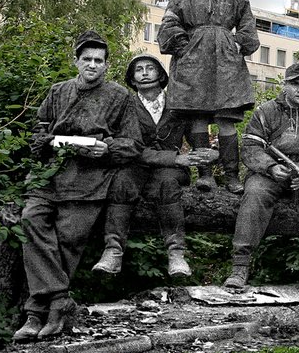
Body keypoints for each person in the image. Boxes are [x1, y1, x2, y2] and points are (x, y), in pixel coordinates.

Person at [12, 31, 142, 342]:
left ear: (106, 65)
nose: (93, 65)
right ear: (77, 62)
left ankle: (36, 313)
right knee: (30, 220)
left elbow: (133, 144)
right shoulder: (57, 92)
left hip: (90, 180)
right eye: (87, 59)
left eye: (99, 60)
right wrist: (47, 142)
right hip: (50, 177)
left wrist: (107, 149)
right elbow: (37, 132)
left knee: (69, 237)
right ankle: (58, 301)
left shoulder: (119, 97)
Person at [92, 55, 217, 277]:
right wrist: (174, 158)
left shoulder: (177, 104)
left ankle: (176, 254)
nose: (145, 73)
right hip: (135, 164)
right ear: (132, 78)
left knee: (167, 184)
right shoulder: (125, 104)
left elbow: (197, 138)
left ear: (161, 74)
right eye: (138, 70)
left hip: (170, 170)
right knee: (121, 183)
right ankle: (112, 251)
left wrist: (204, 167)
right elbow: (128, 146)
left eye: (151, 68)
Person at [223, 62, 299, 300]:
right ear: (285, 85)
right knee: (254, 193)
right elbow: (251, 147)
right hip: (269, 173)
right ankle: (240, 267)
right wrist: (271, 167)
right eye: (295, 84)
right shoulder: (266, 111)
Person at [157, 0, 261, 194]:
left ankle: (231, 176)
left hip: (227, 65)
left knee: (227, 121)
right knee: (198, 120)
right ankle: (204, 175)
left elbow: (248, 25)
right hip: (192, 66)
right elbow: (169, 25)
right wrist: (187, 48)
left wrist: (237, 44)